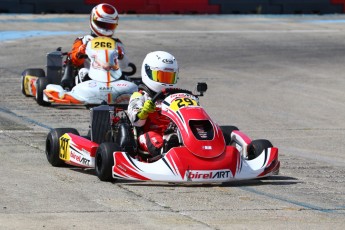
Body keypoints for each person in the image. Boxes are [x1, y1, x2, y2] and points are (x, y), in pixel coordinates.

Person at [61, 3, 131, 90]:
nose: (106, 29)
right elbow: (74, 61)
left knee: (124, 77)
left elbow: (124, 65)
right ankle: (71, 87)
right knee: (83, 72)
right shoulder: (83, 40)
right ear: (93, 20)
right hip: (89, 76)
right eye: (102, 24)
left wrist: (121, 56)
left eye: (109, 26)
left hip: (112, 76)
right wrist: (80, 53)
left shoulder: (116, 43)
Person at [127, 51, 179, 159]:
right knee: (151, 137)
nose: (166, 81)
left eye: (169, 77)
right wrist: (144, 112)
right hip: (150, 132)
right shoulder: (140, 95)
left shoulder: (176, 97)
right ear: (148, 72)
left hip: (172, 132)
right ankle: (164, 151)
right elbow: (136, 121)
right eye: (161, 76)